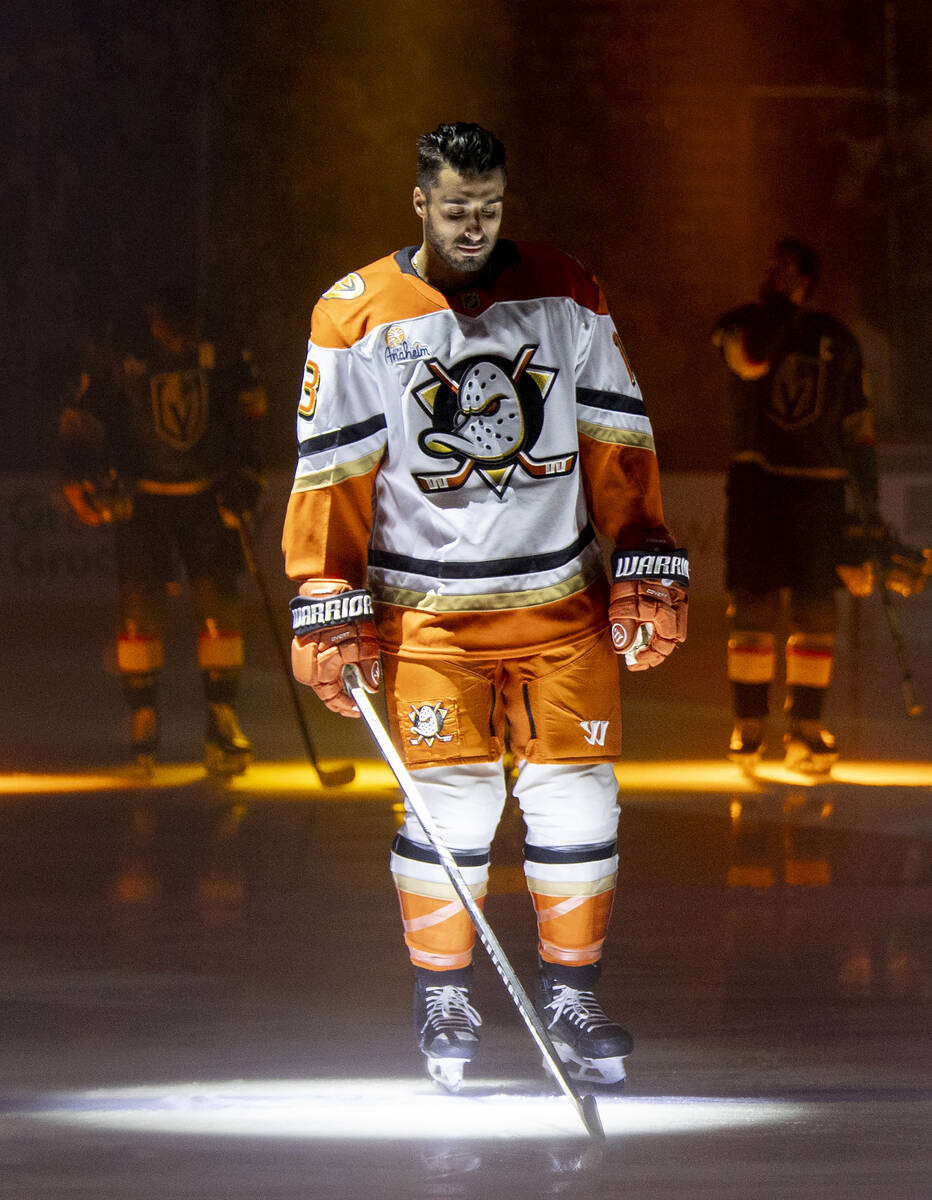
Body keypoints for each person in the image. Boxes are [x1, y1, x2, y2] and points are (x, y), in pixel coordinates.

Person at [282, 122, 688, 1090]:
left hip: (559, 602)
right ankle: (444, 993)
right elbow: (329, 465)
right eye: (456, 205)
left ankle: (571, 990)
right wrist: (325, 589)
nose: (474, 223)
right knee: (453, 805)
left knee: (579, 796)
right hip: (424, 612)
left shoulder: (566, 291)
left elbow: (613, 431)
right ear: (418, 201)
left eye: (490, 204)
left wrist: (640, 550)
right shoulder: (353, 311)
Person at [59, 283, 267, 774]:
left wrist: (248, 477)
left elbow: (250, 412)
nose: (183, 339)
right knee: (139, 612)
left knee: (220, 606)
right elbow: (81, 420)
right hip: (143, 499)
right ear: (152, 315)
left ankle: (222, 719)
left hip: (208, 494)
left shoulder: (223, 343)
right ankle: (144, 722)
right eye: (173, 328)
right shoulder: (119, 348)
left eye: (189, 327)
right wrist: (78, 473)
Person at [712, 238, 878, 772]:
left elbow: (859, 431)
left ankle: (806, 728)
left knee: (815, 611)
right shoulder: (739, 325)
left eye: (786, 269)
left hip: (820, 489)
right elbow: (754, 361)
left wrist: (865, 514)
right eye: (770, 266)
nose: (774, 275)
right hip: (758, 487)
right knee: (753, 608)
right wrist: (780, 309)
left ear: (807, 277)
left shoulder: (838, 339)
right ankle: (750, 725)